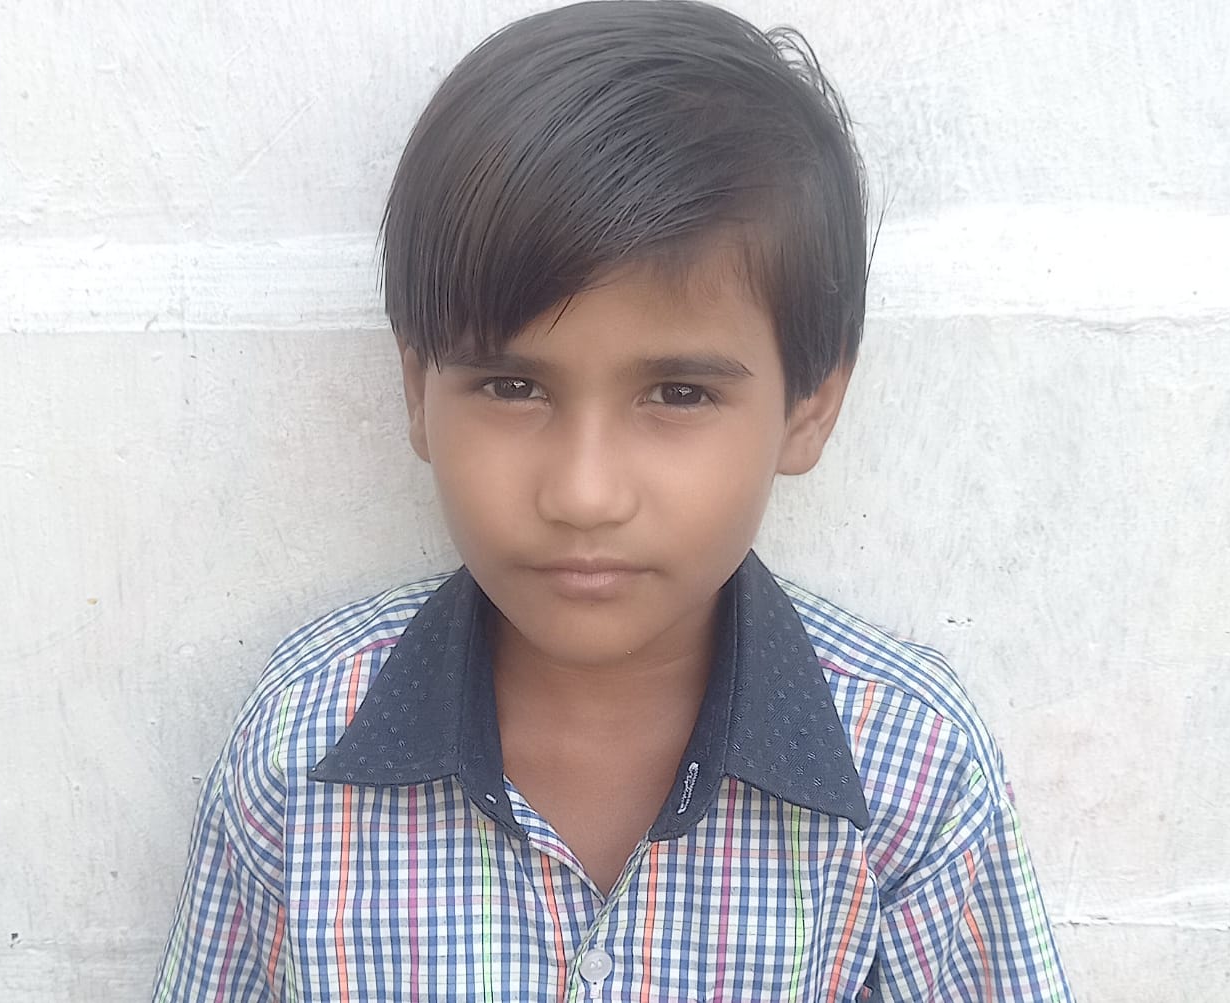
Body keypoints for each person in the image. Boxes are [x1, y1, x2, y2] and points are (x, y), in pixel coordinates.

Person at [153, 2, 1073, 999]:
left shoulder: (913, 769)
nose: (583, 493)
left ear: (808, 408)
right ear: (418, 392)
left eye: (678, 394)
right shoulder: (300, 748)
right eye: (513, 386)